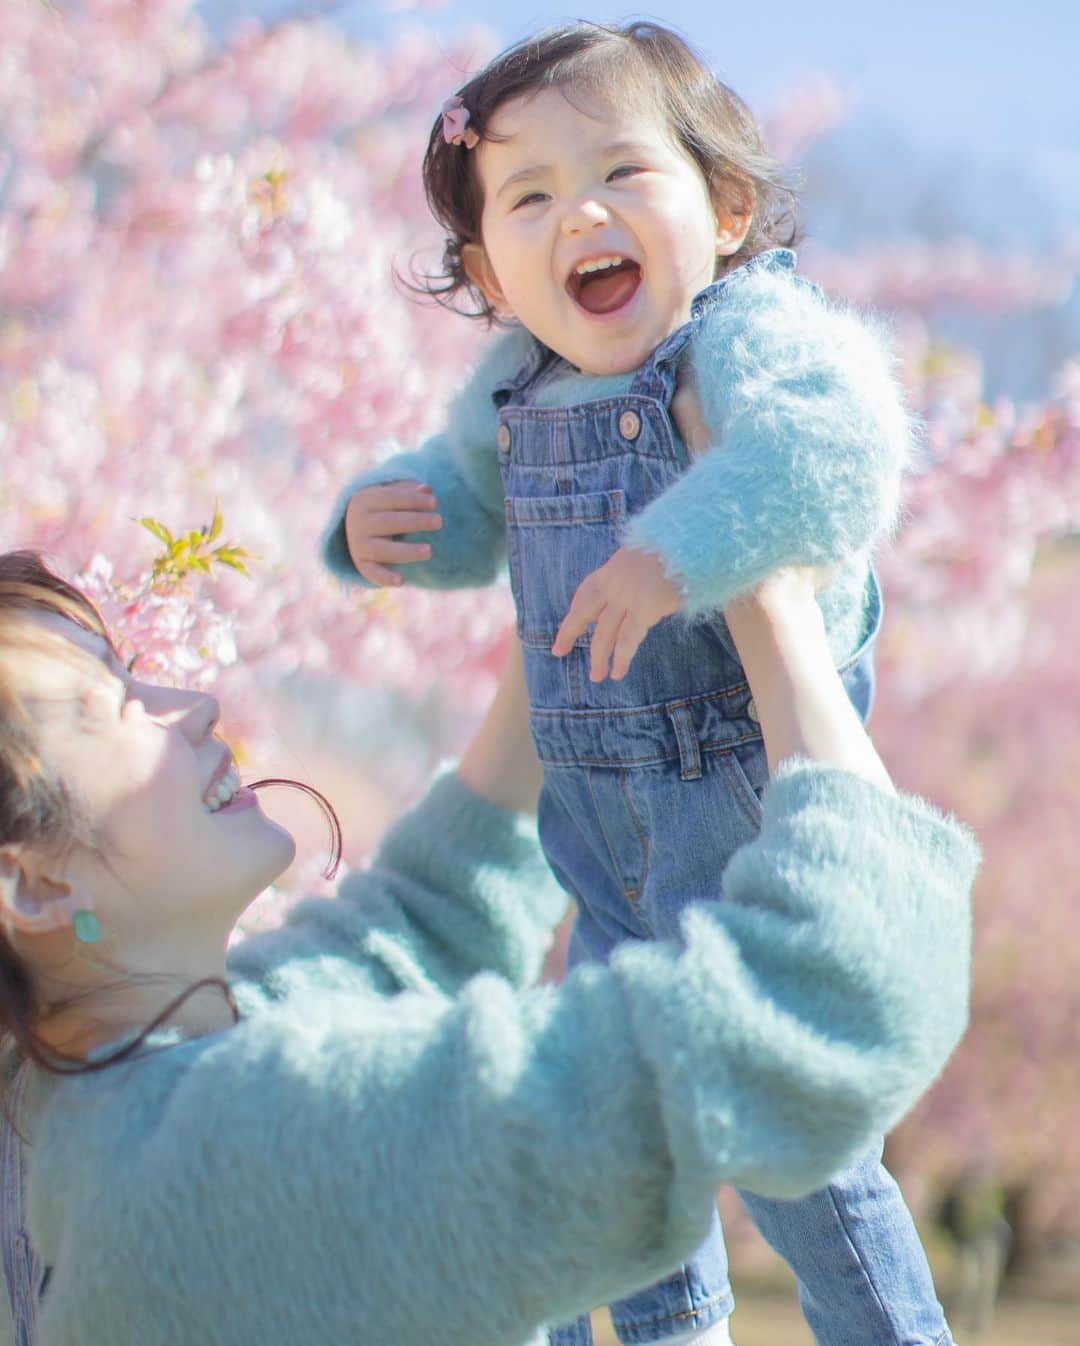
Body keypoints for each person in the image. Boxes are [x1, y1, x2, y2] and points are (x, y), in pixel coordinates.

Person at [322, 19, 950, 1346]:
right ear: (490, 270)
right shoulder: (513, 384)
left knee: (801, 1158)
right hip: (602, 860)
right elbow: (467, 502)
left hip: (750, 829)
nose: (580, 215)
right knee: (604, 1153)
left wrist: (674, 552)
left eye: (620, 174)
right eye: (529, 196)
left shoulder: (749, 334)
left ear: (727, 210)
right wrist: (385, 523)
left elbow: (836, 457)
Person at [0, 549, 974, 1346]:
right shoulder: (252, 1155)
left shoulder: (88, 1104)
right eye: (113, 703)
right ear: (35, 884)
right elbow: (827, 1011)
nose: (192, 701)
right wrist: (774, 598)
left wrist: (564, 573)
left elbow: (429, 917)